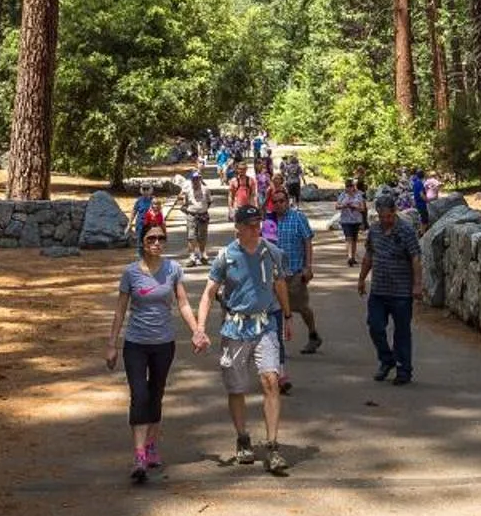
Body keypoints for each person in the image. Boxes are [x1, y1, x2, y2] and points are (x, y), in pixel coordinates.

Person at [104, 212, 209, 483]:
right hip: (136, 344)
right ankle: (139, 456)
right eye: (152, 238)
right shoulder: (130, 273)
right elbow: (119, 312)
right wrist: (111, 345)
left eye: (162, 238)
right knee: (139, 395)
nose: (157, 242)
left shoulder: (173, 269)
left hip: (164, 343)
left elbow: (183, 303)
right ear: (143, 241)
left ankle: (151, 445)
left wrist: (197, 330)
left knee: (156, 393)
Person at [199, 204, 291, 476]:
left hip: (265, 324)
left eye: (258, 223)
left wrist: (287, 315)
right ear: (237, 228)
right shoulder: (226, 257)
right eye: (250, 224)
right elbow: (208, 293)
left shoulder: (271, 252)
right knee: (236, 388)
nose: (256, 228)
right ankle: (243, 437)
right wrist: (200, 327)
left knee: (271, 380)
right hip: (235, 328)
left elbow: (280, 283)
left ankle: (273, 445)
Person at [359, 192, 422, 386]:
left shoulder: (405, 230)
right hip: (379, 289)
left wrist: (417, 284)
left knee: (402, 332)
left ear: (394, 212)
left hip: (401, 291)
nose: (385, 220)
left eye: (388, 216)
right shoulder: (375, 230)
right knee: (375, 326)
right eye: (381, 216)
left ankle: (404, 370)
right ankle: (387, 359)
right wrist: (361, 279)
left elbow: (415, 258)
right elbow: (369, 254)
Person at [268, 187, 321, 357]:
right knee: (275, 309)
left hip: (295, 273)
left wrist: (308, 267)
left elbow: (307, 242)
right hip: (274, 275)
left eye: (281, 201)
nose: (278, 205)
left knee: (301, 307)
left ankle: (313, 334)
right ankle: (277, 345)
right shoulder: (270, 221)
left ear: (288, 201)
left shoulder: (298, 218)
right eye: (275, 202)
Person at [180, 168, 213, 267]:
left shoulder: (205, 189)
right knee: (191, 237)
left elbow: (209, 201)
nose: (195, 181)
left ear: (200, 179)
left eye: (197, 178)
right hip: (191, 215)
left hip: (203, 215)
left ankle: (202, 254)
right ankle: (192, 256)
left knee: (202, 236)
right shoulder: (188, 190)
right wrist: (189, 210)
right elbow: (184, 203)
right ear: (191, 180)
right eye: (194, 179)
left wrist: (203, 209)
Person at [336, 177, 367, 264]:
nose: (349, 188)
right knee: (348, 238)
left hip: (356, 220)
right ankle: (349, 257)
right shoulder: (342, 195)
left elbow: (363, 208)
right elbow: (337, 206)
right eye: (347, 186)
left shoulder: (358, 195)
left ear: (354, 187)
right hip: (345, 220)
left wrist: (356, 207)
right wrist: (344, 206)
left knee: (354, 239)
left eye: (351, 186)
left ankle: (353, 257)